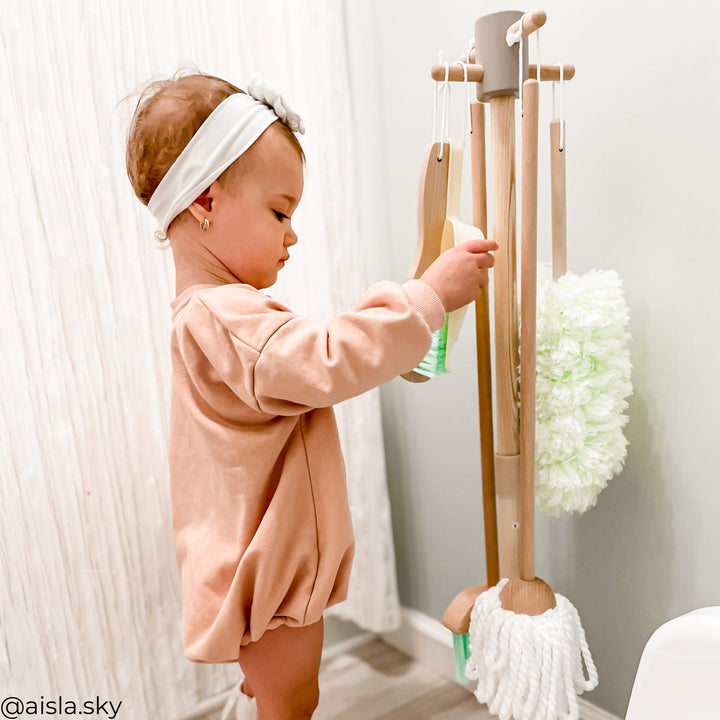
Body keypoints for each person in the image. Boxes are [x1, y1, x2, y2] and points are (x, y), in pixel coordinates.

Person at [125, 70, 496, 720]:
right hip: (268, 581)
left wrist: (391, 314)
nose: (292, 235)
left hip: (262, 572)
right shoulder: (223, 318)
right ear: (206, 202)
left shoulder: (215, 316)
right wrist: (428, 298)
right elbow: (326, 360)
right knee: (293, 701)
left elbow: (309, 358)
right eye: (279, 212)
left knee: (280, 693)